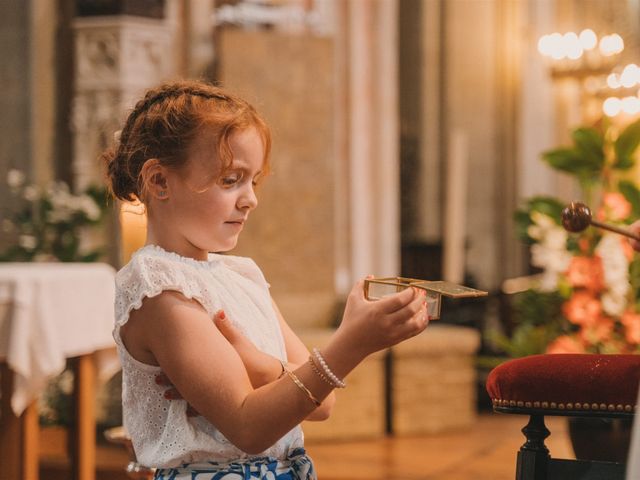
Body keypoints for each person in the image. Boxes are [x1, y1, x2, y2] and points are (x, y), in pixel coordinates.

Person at [103, 80, 429, 479]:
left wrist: (255, 362)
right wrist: (353, 342)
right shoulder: (159, 288)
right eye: (230, 180)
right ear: (159, 181)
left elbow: (320, 404)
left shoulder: (242, 276)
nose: (250, 199)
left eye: (252, 181)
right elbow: (250, 427)